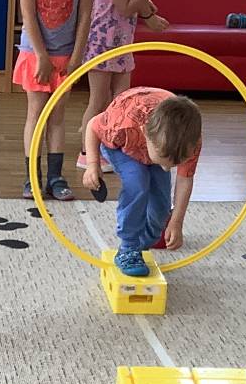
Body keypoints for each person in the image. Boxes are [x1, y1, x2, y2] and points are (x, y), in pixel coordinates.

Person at [12, 0, 96, 200]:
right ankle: (32, 177)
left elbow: (85, 14)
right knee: (36, 114)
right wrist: (42, 57)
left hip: (66, 55)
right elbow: (28, 15)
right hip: (36, 54)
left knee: (58, 117)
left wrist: (77, 57)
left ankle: (56, 178)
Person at [76, 0, 167, 181]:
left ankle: (112, 146)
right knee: (99, 100)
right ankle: (86, 152)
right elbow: (125, 7)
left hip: (121, 44)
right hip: (103, 45)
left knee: (121, 100)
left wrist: (150, 12)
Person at [80, 87, 203, 279]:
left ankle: (144, 242)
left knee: (161, 206)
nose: (166, 169)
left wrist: (176, 221)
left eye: (172, 165)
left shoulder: (189, 141)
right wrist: (92, 165)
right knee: (137, 183)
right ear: (145, 133)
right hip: (121, 147)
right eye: (163, 161)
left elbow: (184, 178)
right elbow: (93, 126)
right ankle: (128, 248)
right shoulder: (123, 123)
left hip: (155, 144)